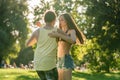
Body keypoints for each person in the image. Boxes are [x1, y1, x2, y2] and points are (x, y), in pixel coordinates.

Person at [49, 13, 86, 80]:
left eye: (62, 20)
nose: (60, 22)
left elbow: (73, 40)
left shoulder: (71, 31)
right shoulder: (59, 31)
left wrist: (59, 35)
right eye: (59, 20)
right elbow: (48, 31)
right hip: (59, 60)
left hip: (66, 59)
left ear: (67, 21)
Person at [26, 10, 58, 80]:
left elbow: (28, 44)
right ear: (54, 20)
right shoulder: (57, 30)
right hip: (49, 64)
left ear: (44, 19)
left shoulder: (37, 31)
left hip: (38, 63)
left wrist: (38, 39)